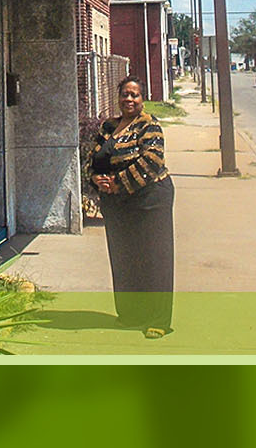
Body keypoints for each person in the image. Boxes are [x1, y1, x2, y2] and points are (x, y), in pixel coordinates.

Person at [90, 75, 174, 338]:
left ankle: (158, 319)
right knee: (124, 258)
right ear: (118, 97)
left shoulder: (149, 126)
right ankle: (130, 314)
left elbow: (151, 161)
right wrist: (96, 177)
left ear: (142, 99)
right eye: (125, 94)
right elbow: (94, 158)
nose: (129, 99)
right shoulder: (107, 127)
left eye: (134, 95)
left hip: (150, 198)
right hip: (117, 204)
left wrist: (118, 183)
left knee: (154, 258)